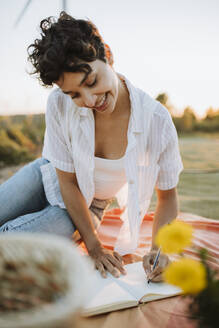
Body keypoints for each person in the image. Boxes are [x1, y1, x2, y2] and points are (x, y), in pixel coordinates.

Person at [0, 12, 183, 282]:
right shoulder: (58, 104)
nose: (88, 100)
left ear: (107, 55)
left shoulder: (156, 120)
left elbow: (167, 197)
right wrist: (95, 248)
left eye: (91, 82)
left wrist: (159, 250)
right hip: (47, 176)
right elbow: (68, 181)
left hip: (88, 206)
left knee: (8, 245)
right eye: (74, 94)